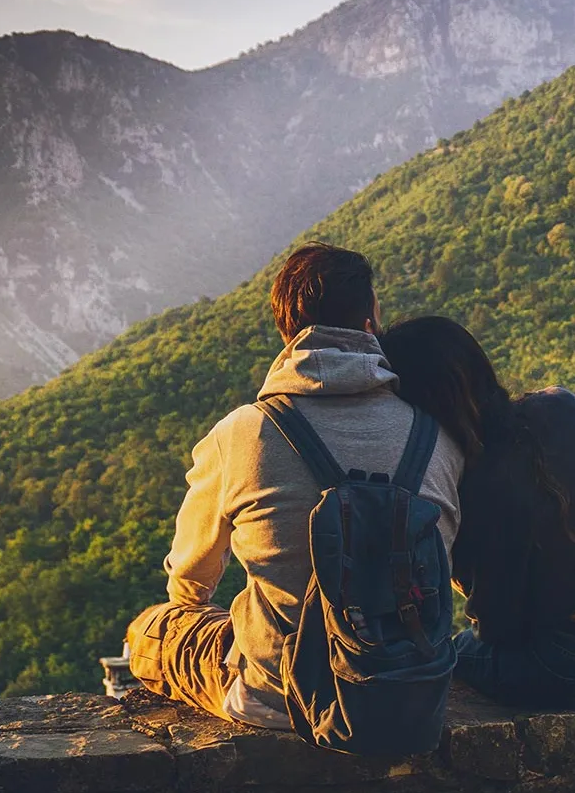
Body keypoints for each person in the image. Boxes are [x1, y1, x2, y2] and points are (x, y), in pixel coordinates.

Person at [122, 243, 466, 728]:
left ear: (286, 332)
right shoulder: (438, 436)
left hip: (279, 694)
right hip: (408, 689)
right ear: (370, 322)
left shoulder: (243, 432)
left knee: (151, 630)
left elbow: (190, 576)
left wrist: (198, 608)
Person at [379, 316, 575, 710]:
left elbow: (498, 630)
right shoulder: (561, 404)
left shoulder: (478, 484)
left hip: (574, 668)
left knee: (448, 652)